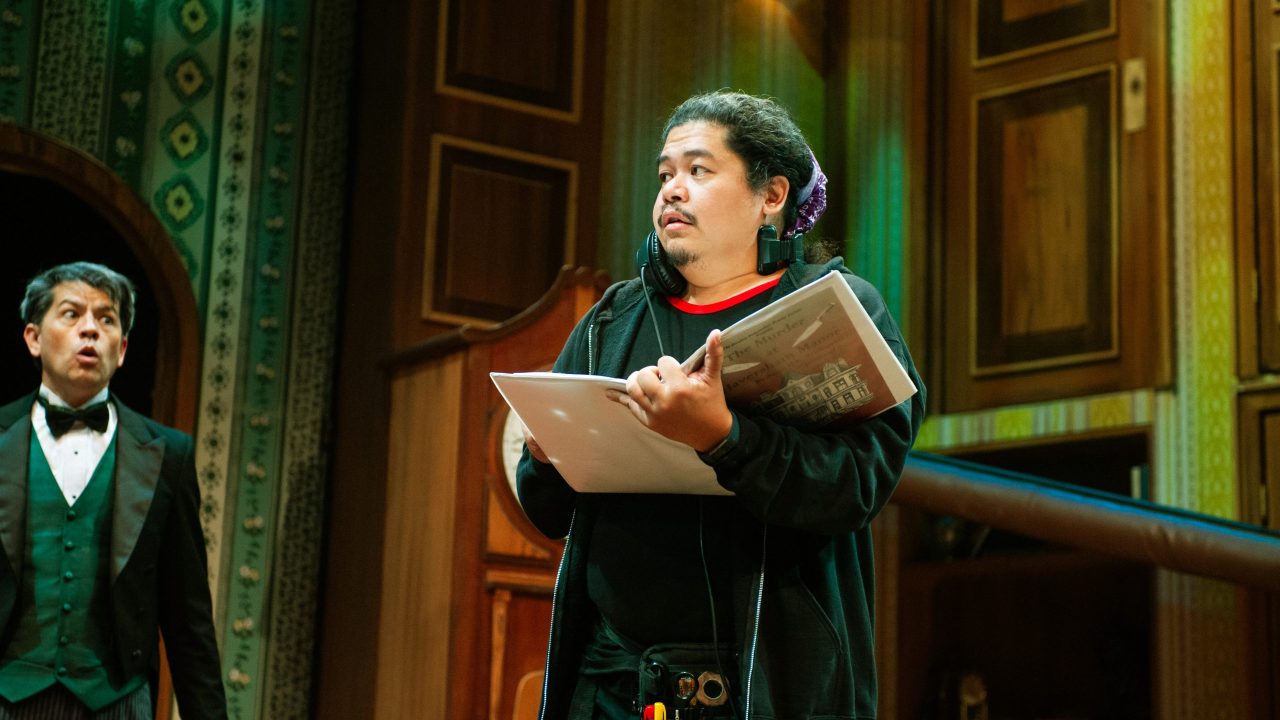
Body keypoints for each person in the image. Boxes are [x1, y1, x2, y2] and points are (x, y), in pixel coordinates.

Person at [516, 91, 925, 719]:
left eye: (699, 171)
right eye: (664, 174)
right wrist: (547, 459)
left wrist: (725, 437)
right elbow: (547, 512)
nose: (672, 191)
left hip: (768, 684)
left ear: (771, 196)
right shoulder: (611, 322)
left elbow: (857, 485)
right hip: (613, 683)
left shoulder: (834, 310)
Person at [0, 262, 226, 719]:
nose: (90, 330)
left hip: (117, 704)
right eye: (71, 314)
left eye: (106, 319)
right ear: (33, 339)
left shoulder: (168, 455)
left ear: (122, 349)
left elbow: (188, 621)